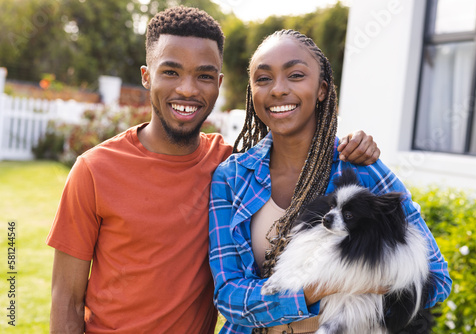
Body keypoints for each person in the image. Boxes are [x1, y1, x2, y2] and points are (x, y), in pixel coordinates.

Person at [46, 7, 380, 334]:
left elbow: (296, 146)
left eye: (204, 76)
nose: (188, 89)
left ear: (218, 83)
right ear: (146, 76)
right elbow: (67, 300)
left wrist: (354, 144)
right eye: (171, 72)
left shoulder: (231, 167)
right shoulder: (93, 171)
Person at [208, 29, 452, 334]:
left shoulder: (362, 169)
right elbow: (229, 298)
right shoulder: (231, 177)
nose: (278, 89)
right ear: (252, 91)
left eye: (295, 75)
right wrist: (314, 290)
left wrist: (358, 283)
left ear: (322, 89)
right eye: (263, 78)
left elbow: (437, 280)